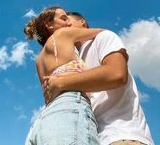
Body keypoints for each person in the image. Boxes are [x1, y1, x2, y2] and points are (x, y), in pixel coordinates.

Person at [44, 12, 154, 145]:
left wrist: (60, 82)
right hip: (91, 138)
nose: (64, 25)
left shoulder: (103, 37)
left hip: (121, 135)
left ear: (82, 22)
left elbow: (116, 74)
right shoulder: (76, 61)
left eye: (67, 19)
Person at [24, 6, 103, 145]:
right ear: (48, 24)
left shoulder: (39, 59)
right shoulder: (63, 34)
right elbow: (102, 32)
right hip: (68, 110)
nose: (68, 23)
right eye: (63, 18)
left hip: (42, 122)